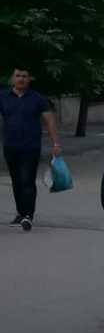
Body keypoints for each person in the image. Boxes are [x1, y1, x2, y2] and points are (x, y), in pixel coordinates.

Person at [0, 67, 60, 231]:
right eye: (18, 76)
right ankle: (20, 213)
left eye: (24, 76)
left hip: (31, 147)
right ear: (12, 78)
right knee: (16, 181)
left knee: (27, 179)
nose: (21, 79)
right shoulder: (3, 97)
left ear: (29, 79)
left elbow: (49, 120)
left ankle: (28, 215)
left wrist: (55, 143)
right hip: (10, 146)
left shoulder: (37, 98)